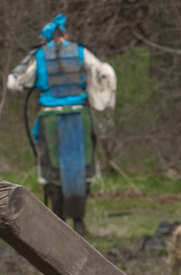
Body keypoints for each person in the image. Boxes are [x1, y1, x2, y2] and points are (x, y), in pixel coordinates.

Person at [8, 14, 114, 237]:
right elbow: (104, 72)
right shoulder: (81, 51)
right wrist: (101, 99)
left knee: (52, 170)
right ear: (65, 34)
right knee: (82, 168)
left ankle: (59, 222)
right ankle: (79, 222)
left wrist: (35, 85)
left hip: (51, 118)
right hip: (79, 116)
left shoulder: (38, 55)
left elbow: (15, 82)